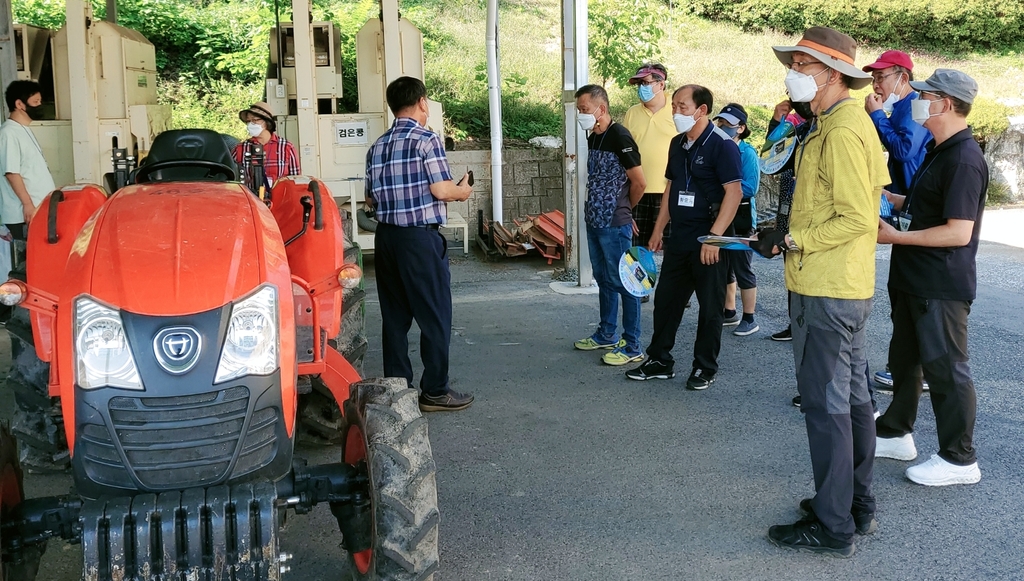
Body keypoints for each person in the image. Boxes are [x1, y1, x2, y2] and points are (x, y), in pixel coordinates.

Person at [756, 27, 889, 558]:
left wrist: (791, 237)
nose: (792, 74)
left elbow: (858, 216)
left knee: (828, 408)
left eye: (801, 67)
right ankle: (854, 505)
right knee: (853, 402)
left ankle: (834, 526)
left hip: (827, 289)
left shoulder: (840, 130)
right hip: (843, 287)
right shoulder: (837, 123)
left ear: (832, 75)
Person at [873, 69, 987, 487]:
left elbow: (958, 231)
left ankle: (959, 459)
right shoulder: (941, 150)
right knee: (904, 360)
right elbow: (924, 205)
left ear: (947, 103)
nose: (917, 101)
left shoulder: (963, 158)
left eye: (926, 95)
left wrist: (898, 236)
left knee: (945, 369)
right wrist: (888, 197)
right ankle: (895, 431)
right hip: (913, 277)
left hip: (940, 283)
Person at [365, 77, 474, 412]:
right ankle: (436, 391)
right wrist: (463, 190)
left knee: (394, 318)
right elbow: (442, 190)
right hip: (419, 239)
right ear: (423, 102)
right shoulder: (426, 140)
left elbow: (370, 199)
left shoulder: (377, 146)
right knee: (435, 315)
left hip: (386, 238)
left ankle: (398, 392)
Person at [625, 85, 742, 390]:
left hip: (710, 237)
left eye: (682, 107)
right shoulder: (678, 143)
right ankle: (660, 360)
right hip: (680, 236)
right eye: (674, 106)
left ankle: (705, 367)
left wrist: (714, 238)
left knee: (710, 307)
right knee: (666, 301)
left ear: (702, 111)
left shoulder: (723, 145)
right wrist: (658, 230)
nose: (676, 112)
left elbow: (734, 193)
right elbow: (671, 189)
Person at [862, 50, 932, 391]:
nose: (876, 83)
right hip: (904, 204)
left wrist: (876, 116)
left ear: (902, 76)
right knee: (905, 291)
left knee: (913, 292)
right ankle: (911, 367)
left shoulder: (912, 108)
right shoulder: (900, 108)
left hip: (916, 210)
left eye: (882, 77)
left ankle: (913, 369)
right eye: (874, 77)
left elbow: (904, 150)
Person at [571, 84, 647, 366]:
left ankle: (633, 344)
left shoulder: (620, 136)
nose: (581, 115)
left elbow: (639, 182)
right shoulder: (594, 136)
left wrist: (627, 210)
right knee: (603, 279)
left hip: (615, 222)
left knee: (625, 283)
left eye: (584, 110)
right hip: (595, 220)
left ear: (601, 109)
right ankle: (607, 333)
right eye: (579, 110)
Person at [761, 100, 813, 344]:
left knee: (811, 268)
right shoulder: (796, 129)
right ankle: (796, 322)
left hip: (813, 213)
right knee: (791, 264)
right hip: (788, 207)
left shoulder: (827, 127)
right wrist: (776, 122)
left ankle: (811, 325)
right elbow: (772, 162)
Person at [713, 103, 760, 337]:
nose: (722, 127)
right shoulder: (718, 148)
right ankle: (729, 310)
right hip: (722, 213)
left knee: (742, 266)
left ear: (741, 128)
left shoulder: (747, 153)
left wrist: (727, 187)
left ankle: (749, 317)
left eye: (728, 124)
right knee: (726, 266)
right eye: (720, 122)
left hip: (741, 216)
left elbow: (750, 187)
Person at [623, 63, 676, 251]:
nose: (641, 89)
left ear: (661, 84)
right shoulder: (632, 113)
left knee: (671, 250)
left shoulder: (677, 109)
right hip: (638, 190)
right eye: (639, 85)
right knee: (636, 252)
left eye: (645, 83)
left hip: (669, 192)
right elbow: (624, 155)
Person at [0, 80, 56, 248]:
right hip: (23, 215)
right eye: (36, 102)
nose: (40, 106)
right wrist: (27, 204)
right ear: (19, 104)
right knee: (27, 263)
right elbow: (11, 172)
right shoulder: (9, 133)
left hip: (36, 210)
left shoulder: (23, 130)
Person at [233, 102, 300, 190]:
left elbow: (296, 180)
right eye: (248, 121)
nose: (250, 124)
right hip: (251, 201)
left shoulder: (286, 147)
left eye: (254, 120)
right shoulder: (240, 148)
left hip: (280, 200)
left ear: (266, 122)